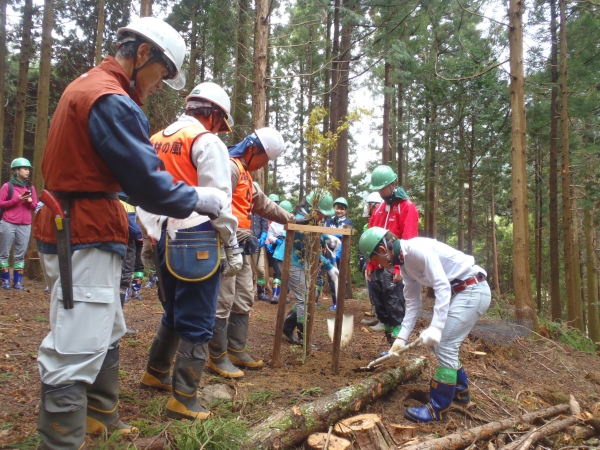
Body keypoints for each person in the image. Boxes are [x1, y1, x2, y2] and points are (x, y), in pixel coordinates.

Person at [33, 17, 224, 448]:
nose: (159, 85)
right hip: (82, 231)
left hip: (80, 226)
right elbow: (146, 182)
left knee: (108, 325)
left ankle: (100, 416)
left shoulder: (90, 85)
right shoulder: (111, 99)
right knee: (75, 345)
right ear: (142, 55)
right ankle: (62, 439)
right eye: (162, 74)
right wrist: (198, 200)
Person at [140, 81, 241, 421]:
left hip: (161, 237)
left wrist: (149, 235)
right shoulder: (206, 141)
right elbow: (218, 201)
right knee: (198, 318)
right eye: (219, 122)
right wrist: (231, 242)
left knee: (173, 310)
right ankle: (184, 397)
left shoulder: (156, 139)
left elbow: (144, 193)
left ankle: (156, 370)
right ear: (213, 114)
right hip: (196, 237)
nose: (219, 129)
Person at [359, 227, 490, 423]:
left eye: (375, 259)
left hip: (472, 289)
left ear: (382, 249)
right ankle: (460, 393)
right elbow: (412, 305)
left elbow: (442, 285)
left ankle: (437, 409)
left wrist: (436, 327)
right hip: (462, 293)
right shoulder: (405, 266)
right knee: (442, 345)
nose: (376, 264)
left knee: (444, 344)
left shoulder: (416, 250)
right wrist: (400, 341)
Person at [207, 128, 295, 379]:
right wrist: (227, 240)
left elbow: (263, 204)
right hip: (225, 241)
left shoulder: (246, 175)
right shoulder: (230, 167)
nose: (263, 165)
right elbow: (219, 205)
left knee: (244, 295)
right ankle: (217, 355)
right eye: (264, 159)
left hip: (243, 242)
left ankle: (236, 348)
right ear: (252, 149)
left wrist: (290, 218)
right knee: (223, 299)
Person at [366, 165, 419, 346]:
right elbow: (371, 237)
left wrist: (399, 267)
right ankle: (390, 349)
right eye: (378, 189)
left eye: (383, 188)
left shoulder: (407, 207)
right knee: (382, 310)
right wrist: (369, 265)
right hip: (378, 266)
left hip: (395, 267)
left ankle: (398, 352)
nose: (380, 192)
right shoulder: (379, 209)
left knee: (395, 309)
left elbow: (409, 241)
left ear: (393, 184)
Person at [281, 192, 339, 344]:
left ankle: (287, 326)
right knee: (304, 299)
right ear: (312, 208)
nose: (323, 218)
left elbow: (316, 236)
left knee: (309, 297)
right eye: (322, 213)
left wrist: (328, 237)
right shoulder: (300, 221)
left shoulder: (311, 220)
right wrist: (329, 266)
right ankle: (303, 338)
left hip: (301, 262)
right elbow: (311, 250)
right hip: (292, 260)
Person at [0, 158, 37, 290]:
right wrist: (17, 199)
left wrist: (29, 200)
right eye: (24, 168)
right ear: (16, 171)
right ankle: (4, 280)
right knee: (4, 252)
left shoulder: (31, 188)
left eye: (28, 169)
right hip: (8, 222)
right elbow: (1, 203)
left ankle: (18, 282)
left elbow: (34, 207)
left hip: (25, 224)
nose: (27, 171)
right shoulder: (7, 186)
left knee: (20, 254)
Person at [323, 197, 353, 310]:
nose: (339, 211)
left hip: (343, 254)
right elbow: (324, 235)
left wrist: (334, 235)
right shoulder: (328, 221)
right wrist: (335, 235)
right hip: (330, 253)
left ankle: (341, 302)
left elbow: (346, 236)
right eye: (337, 208)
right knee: (332, 279)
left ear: (345, 210)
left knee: (341, 278)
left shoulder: (348, 222)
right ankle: (335, 302)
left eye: (342, 209)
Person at [266, 199, 293, 303]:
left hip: (289, 252)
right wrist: (275, 240)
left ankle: (284, 295)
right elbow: (270, 236)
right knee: (278, 273)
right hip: (277, 251)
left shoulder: (292, 223)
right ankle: (276, 295)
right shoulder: (274, 224)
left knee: (287, 274)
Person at [251, 183, 270, 302]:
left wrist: (264, 234)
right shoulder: (243, 205)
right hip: (246, 242)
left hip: (258, 242)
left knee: (260, 270)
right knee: (248, 270)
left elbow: (264, 223)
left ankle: (260, 291)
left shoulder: (261, 207)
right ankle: (250, 292)